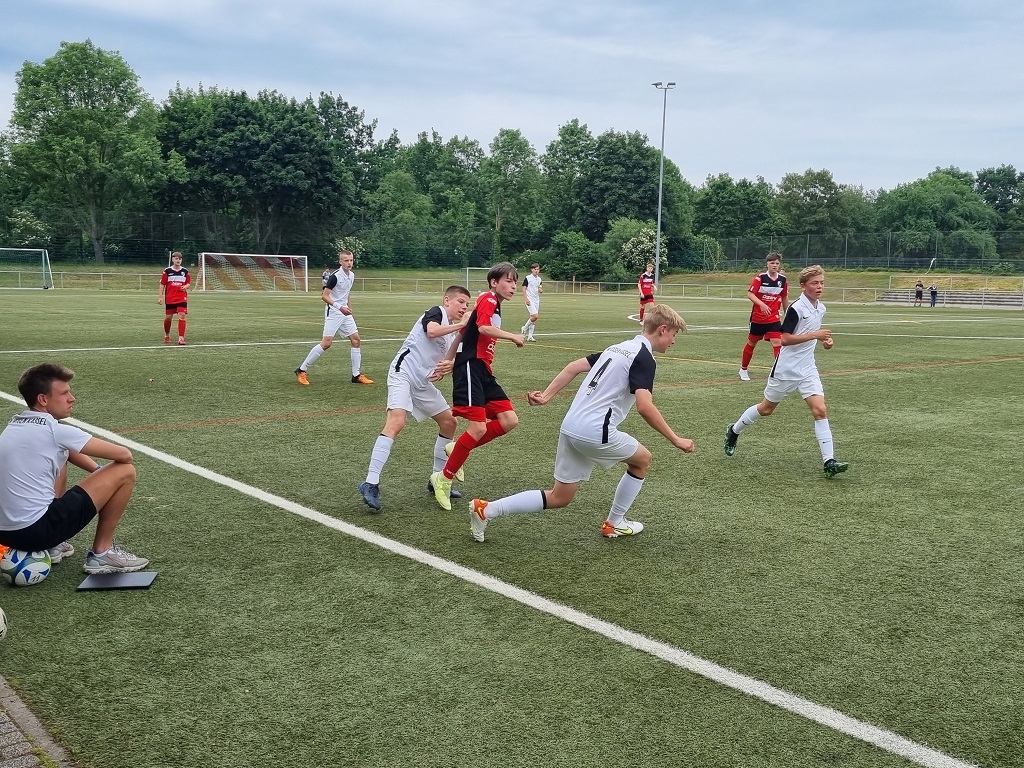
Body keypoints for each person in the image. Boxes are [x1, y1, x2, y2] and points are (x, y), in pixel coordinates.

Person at [469, 304, 694, 543]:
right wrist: (675, 439)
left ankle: (487, 509)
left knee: (560, 497)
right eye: (673, 334)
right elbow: (645, 406)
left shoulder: (617, 348)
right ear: (662, 329)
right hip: (595, 431)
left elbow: (574, 366)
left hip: (570, 427)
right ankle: (614, 523)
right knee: (642, 460)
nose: (673, 341)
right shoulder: (644, 358)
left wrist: (546, 396)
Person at [0, 364, 149, 574]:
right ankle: (102, 553)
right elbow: (125, 455)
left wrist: (98, 472)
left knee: (60, 456)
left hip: (6, 534)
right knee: (125, 471)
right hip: (37, 532)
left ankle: (53, 547)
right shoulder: (55, 430)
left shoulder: (14, 426)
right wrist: (107, 480)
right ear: (43, 399)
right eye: (64, 393)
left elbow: (67, 450)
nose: (72, 398)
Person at [724, 265, 849, 479]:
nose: (819, 287)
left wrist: (826, 341)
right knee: (766, 409)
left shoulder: (821, 308)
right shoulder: (796, 308)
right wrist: (815, 335)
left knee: (820, 410)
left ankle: (829, 461)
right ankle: (734, 430)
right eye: (814, 283)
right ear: (803, 286)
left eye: (821, 283)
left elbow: (815, 335)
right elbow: (784, 339)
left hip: (808, 368)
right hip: (787, 369)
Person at [358, 285, 472, 511]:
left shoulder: (455, 335)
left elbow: (450, 359)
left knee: (449, 422)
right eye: (460, 302)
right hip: (403, 373)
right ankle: (370, 483)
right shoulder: (436, 312)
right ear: (447, 300)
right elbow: (432, 332)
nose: (464, 307)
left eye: (467, 305)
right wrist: (462, 324)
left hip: (422, 383)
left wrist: (447, 367)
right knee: (397, 422)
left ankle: (437, 479)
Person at [428, 262, 525, 511]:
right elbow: (483, 328)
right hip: (471, 367)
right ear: (494, 282)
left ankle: (457, 448)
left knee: (509, 420)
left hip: (482, 370)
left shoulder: (493, 304)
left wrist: (449, 359)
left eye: (515, 282)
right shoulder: (488, 299)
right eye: (509, 281)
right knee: (478, 428)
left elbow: (464, 333)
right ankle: (443, 479)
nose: (513, 286)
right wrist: (513, 336)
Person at [295, 249, 373, 386]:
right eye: (346, 260)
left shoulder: (352, 275)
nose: (349, 263)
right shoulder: (334, 277)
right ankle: (301, 370)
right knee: (326, 344)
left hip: (345, 312)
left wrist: (349, 307)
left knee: (356, 341)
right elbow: (324, 296)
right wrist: (340, 307)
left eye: (351, 260)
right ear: (340, 261)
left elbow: (347, 293)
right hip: (334, 312)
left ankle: (356, 375)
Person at [738, 252, 790, 381]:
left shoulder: (783, 280)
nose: (775, 265)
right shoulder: (760, 278)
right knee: (752, 343)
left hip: (773, 318)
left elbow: (784, 297)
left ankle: (779, 371)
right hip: (758, 318)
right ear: (767, 264)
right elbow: (750, 294)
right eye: (772, 263)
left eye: (777, 263)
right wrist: (761, 304)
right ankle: (743, 369)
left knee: (777, 342)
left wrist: (788, 314)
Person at [158, 251, 191, 345]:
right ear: (172, 259)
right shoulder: (167, 271)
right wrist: (160, 297)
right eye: (176, 259)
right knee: (168, 318)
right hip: (170, 298)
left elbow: (188, 283)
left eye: (180, 259)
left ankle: (181, 338)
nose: (178, 260)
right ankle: (167, 335)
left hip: (181, 297)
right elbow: (162, 284)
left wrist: (185, 286)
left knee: (182, 316)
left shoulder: (185, 271)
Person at [520, 263, 543, 342]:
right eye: (535, 269)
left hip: (536, 300)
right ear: (532, 270)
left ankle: (530, 336)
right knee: (535, 316)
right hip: (530, 299)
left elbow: (540, 288)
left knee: (533, 319)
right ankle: (524, 328)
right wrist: (526, 299)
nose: (536, 271)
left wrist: (540, 290)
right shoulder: (528, 278)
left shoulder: (539, 279)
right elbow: (523, 288)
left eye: (537, 269)